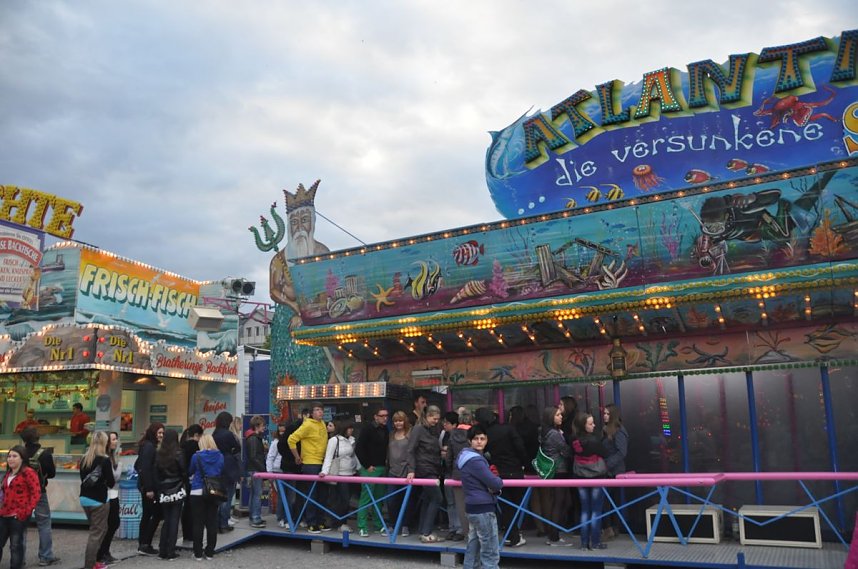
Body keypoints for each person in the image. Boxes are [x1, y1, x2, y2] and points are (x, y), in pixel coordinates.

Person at [474, 407, 528, 548]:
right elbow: (520, 448)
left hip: (498, 473)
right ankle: (515, 535)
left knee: (506, 506)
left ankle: (512, 535)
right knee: (517, 505)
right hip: (516, 471)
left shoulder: (486, 434)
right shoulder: (508, 429)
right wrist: (524, 464)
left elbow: (483, 453)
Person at [457, 425, 503, 569]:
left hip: (472, 506)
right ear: (470, 441)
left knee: (474, 544)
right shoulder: (476, 460)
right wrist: (498, 480)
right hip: (483, 506)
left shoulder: (464, 457)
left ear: (486, 440)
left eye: (482, 438)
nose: (479, 441)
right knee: (490, 548)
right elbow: (495, 483)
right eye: (476, 439)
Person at [286, 402, 331, 533]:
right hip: (310, 463)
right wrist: (297, 456)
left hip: (322, 463)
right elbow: (291, 439)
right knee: (312, 494)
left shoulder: (322, 423)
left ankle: (320, 520)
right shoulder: (307, 424)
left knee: (323, 494)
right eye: (317, 410)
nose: (320, 412)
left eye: (321, 410)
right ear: (312, 413)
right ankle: (311, 522)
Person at [20, 427, 59, 567]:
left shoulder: (18, 453)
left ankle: (19, 559)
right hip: (39, 492)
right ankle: (45, 556)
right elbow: (52, 473)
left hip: (21, 494)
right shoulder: (45, 454)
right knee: (44, 524)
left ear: (23, 440)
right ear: (38, 438)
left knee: (21, 525)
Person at [406, 405, 444, 543]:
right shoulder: (418, 429)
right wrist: (411, 470)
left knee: (428, 499)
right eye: (434, 418)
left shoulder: (431, 429)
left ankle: (423, 530)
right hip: (425, 469)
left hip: (431, 468)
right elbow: (410, 450)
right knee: (437, 498)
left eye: (438, 419)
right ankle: (426, 532)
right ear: (427, 416)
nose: (436, 421)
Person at [572, 412, 610, 551]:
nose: (594, 425)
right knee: (595, 511)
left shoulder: (574, 440)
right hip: (596, 477)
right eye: (590, 423)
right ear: (583, 426)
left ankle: (583, 543)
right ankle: (595, 542)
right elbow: (605, 453)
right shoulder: (594, 441)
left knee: (584, 510)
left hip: (579, 476)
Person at [0, 445, 41, 569]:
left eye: (14, 456)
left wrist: (26, 512)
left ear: (22, 458)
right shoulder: (8, 473)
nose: (11, 459)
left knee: (16, 546)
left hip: (18, 516)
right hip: (3, 514)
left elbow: (36, 493)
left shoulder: (28, 472)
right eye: (9, 456)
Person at [79, 433, 115, 569]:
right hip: (99, 499)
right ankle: (90, 565)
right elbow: (111, 482)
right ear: (104, 443)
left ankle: (93, 561)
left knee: (98, 529)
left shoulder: (84, 459)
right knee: (96, 533)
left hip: (84, 498)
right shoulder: (104, 460)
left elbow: (83, 479)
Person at [353, 406, 389, 538]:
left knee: (379, 499)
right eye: (382, 416)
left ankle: (378, 524)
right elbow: (359, 448)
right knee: (366, 498)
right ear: (375, 417)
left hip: (381, 467)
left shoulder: (385, 429)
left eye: (386, 416)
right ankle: (362, 526)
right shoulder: (368, 429)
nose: (385, 418)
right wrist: (367, 465)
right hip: (370, 468)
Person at [540, 406, 573, 547]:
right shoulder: (554, 434)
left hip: (552, 470)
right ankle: (554, 537)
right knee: (559, 503)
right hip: (559, 470)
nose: (561, 417)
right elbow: (566, 451)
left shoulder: (544, 432)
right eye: (558, 415)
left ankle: (554, 534)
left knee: (557, 502)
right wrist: (564, 438)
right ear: (551, 417)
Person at [188, 434, 224, 561]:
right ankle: (209, 552)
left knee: (198, 523)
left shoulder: (196, 456)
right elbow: (221, 471)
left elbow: (190, 471)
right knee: (211, 522)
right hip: (213, 492)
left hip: (197, 491)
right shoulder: (220, 456)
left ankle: (198, 553)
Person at [320, 419, 357, 532]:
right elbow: (329, 456)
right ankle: (338, 522)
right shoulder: (334, 440)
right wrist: (324, 472)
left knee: (345, 499)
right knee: (341, 499)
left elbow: (353, 456)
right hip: (339, 473)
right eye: (349, 428)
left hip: (350, 473)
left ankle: (340, 522)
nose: (351, 430)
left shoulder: (351, 440)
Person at [154, 429, 185, 560]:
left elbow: (156, 473)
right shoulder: (179, 453)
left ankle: (162, 549)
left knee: (166, 520)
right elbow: (184, 471)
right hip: (177, 488)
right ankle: (171, 551)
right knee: (174, 520)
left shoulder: (159, 454)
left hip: (164, 489)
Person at [135, 422, 164, 556]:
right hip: (149, 487)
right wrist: (149, 488)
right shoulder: (149, 447)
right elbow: (145, 468)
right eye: (159, 433)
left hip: (147, 486)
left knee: (147, 515)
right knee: (155, 514)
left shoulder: (148, 446)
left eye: (162, 433)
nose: (161, 435)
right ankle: (145, 543)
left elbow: (138, 465)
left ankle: (143, 544)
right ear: (153, 433)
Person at [283, 180, 330, 260]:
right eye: (294, 222)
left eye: (304, 220)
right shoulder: (278, 260)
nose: (299, 227)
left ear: (312, 222)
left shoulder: (323, 252)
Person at [601, 404, 629, 541]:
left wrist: (607, 465)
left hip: (614, 472)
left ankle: (609, 528)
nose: (604, 415)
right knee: (610, 501)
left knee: (608, 501)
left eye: (607, 413)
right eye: (604, 413)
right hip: (609, 471)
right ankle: (612, 527)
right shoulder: (607, 430)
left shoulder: (619, 431)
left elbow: (622, 452)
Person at [212, 412, 241, 534]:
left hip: (217, 467)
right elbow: (237, 448)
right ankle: (224, 523)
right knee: (228, 497)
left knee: (219, 497)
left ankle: (217, 523)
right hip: (229, 467)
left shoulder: (214, 434)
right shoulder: (228, 434)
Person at [96, 432, 122, 566]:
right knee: (109, 524)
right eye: (113, 439)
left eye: (116, 439)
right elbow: (113, 478)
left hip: (114, 494)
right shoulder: (104, 459)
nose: (115, 441)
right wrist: (119, 468)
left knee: (114, 523)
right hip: (106, 494)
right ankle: (101, 553)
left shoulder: (113, 456)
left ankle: (105, 551)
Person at [386, 410, 413, 537]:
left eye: (400, 420)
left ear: (405, 421)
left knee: (406, 500)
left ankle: (405, 525)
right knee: (391, 500)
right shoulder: (391, 434)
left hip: (406, 471)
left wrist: (412, 469)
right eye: (396, 421)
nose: (398, 423)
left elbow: (413, 452)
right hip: (392, 470)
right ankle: (392, 524)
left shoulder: (410, 434)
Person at [447, 408, 472, 540]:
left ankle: (465, 532)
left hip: (457, 473)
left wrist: (451, 469)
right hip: (473, 474)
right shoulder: (474, 434)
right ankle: (474, 534)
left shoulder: (452, 434)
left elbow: (449, 457)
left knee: (460, 505)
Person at [440, 411, 464, 541]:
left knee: (452, 503)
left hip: (450, 473)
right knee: (456, 502)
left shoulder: (450, 437)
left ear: (454, 424)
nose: (444, 425)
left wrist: (445, 457)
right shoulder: (446, 435)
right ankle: (457, 529)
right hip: (459, 473)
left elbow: (449, 458)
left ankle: (455, 528)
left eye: (447, 423)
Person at [179, 424, 203, 544]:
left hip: (183, 480)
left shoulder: (182, 445)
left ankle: (186, 534)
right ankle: (192, 534)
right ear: (196, 435)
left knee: (186, 508)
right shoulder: (195, 446)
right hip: (193, 479)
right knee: (193, 508)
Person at [245, 415, 268, 529]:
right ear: (257, 426)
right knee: (257, 495)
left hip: (253, 469)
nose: (264, 428)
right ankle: (255, 518)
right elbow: (254, 456)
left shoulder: (252, 437)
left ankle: (253, 516)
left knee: (254, 494)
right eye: (263, 425)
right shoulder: (254, 439)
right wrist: (263, 470)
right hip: (256, 470)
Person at [266, 422, 288, 528]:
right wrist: (270, 473)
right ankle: (281, 518)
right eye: (280, 431)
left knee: (288, 496)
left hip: (287, 471)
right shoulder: (275, 443)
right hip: (277, 471)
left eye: (284, 430)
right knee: (281, 496)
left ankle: (286, 517)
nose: (282, 433)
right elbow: (270, 457)